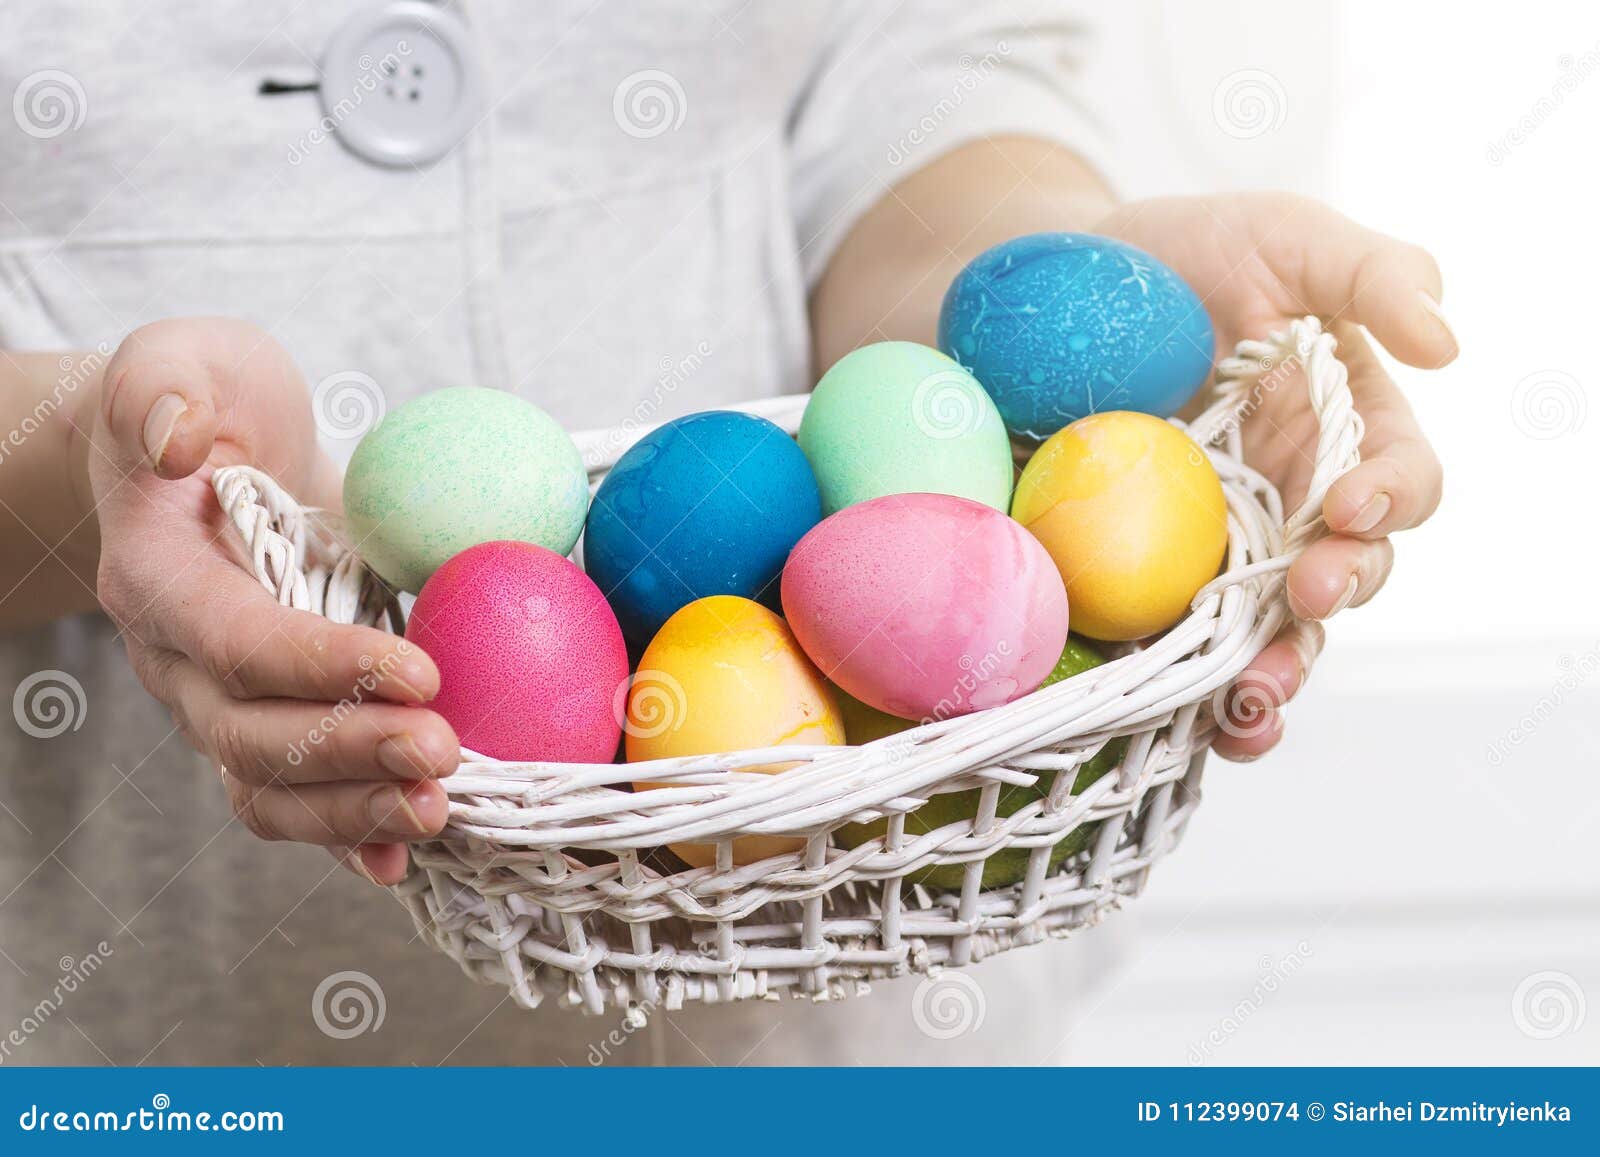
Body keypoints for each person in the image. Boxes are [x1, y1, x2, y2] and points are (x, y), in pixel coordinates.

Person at [0, 2, 1450, 1065]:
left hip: (843, 1007)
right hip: (155, 1020)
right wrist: (96, 458)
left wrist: (1044, 317)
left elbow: (906, 61)